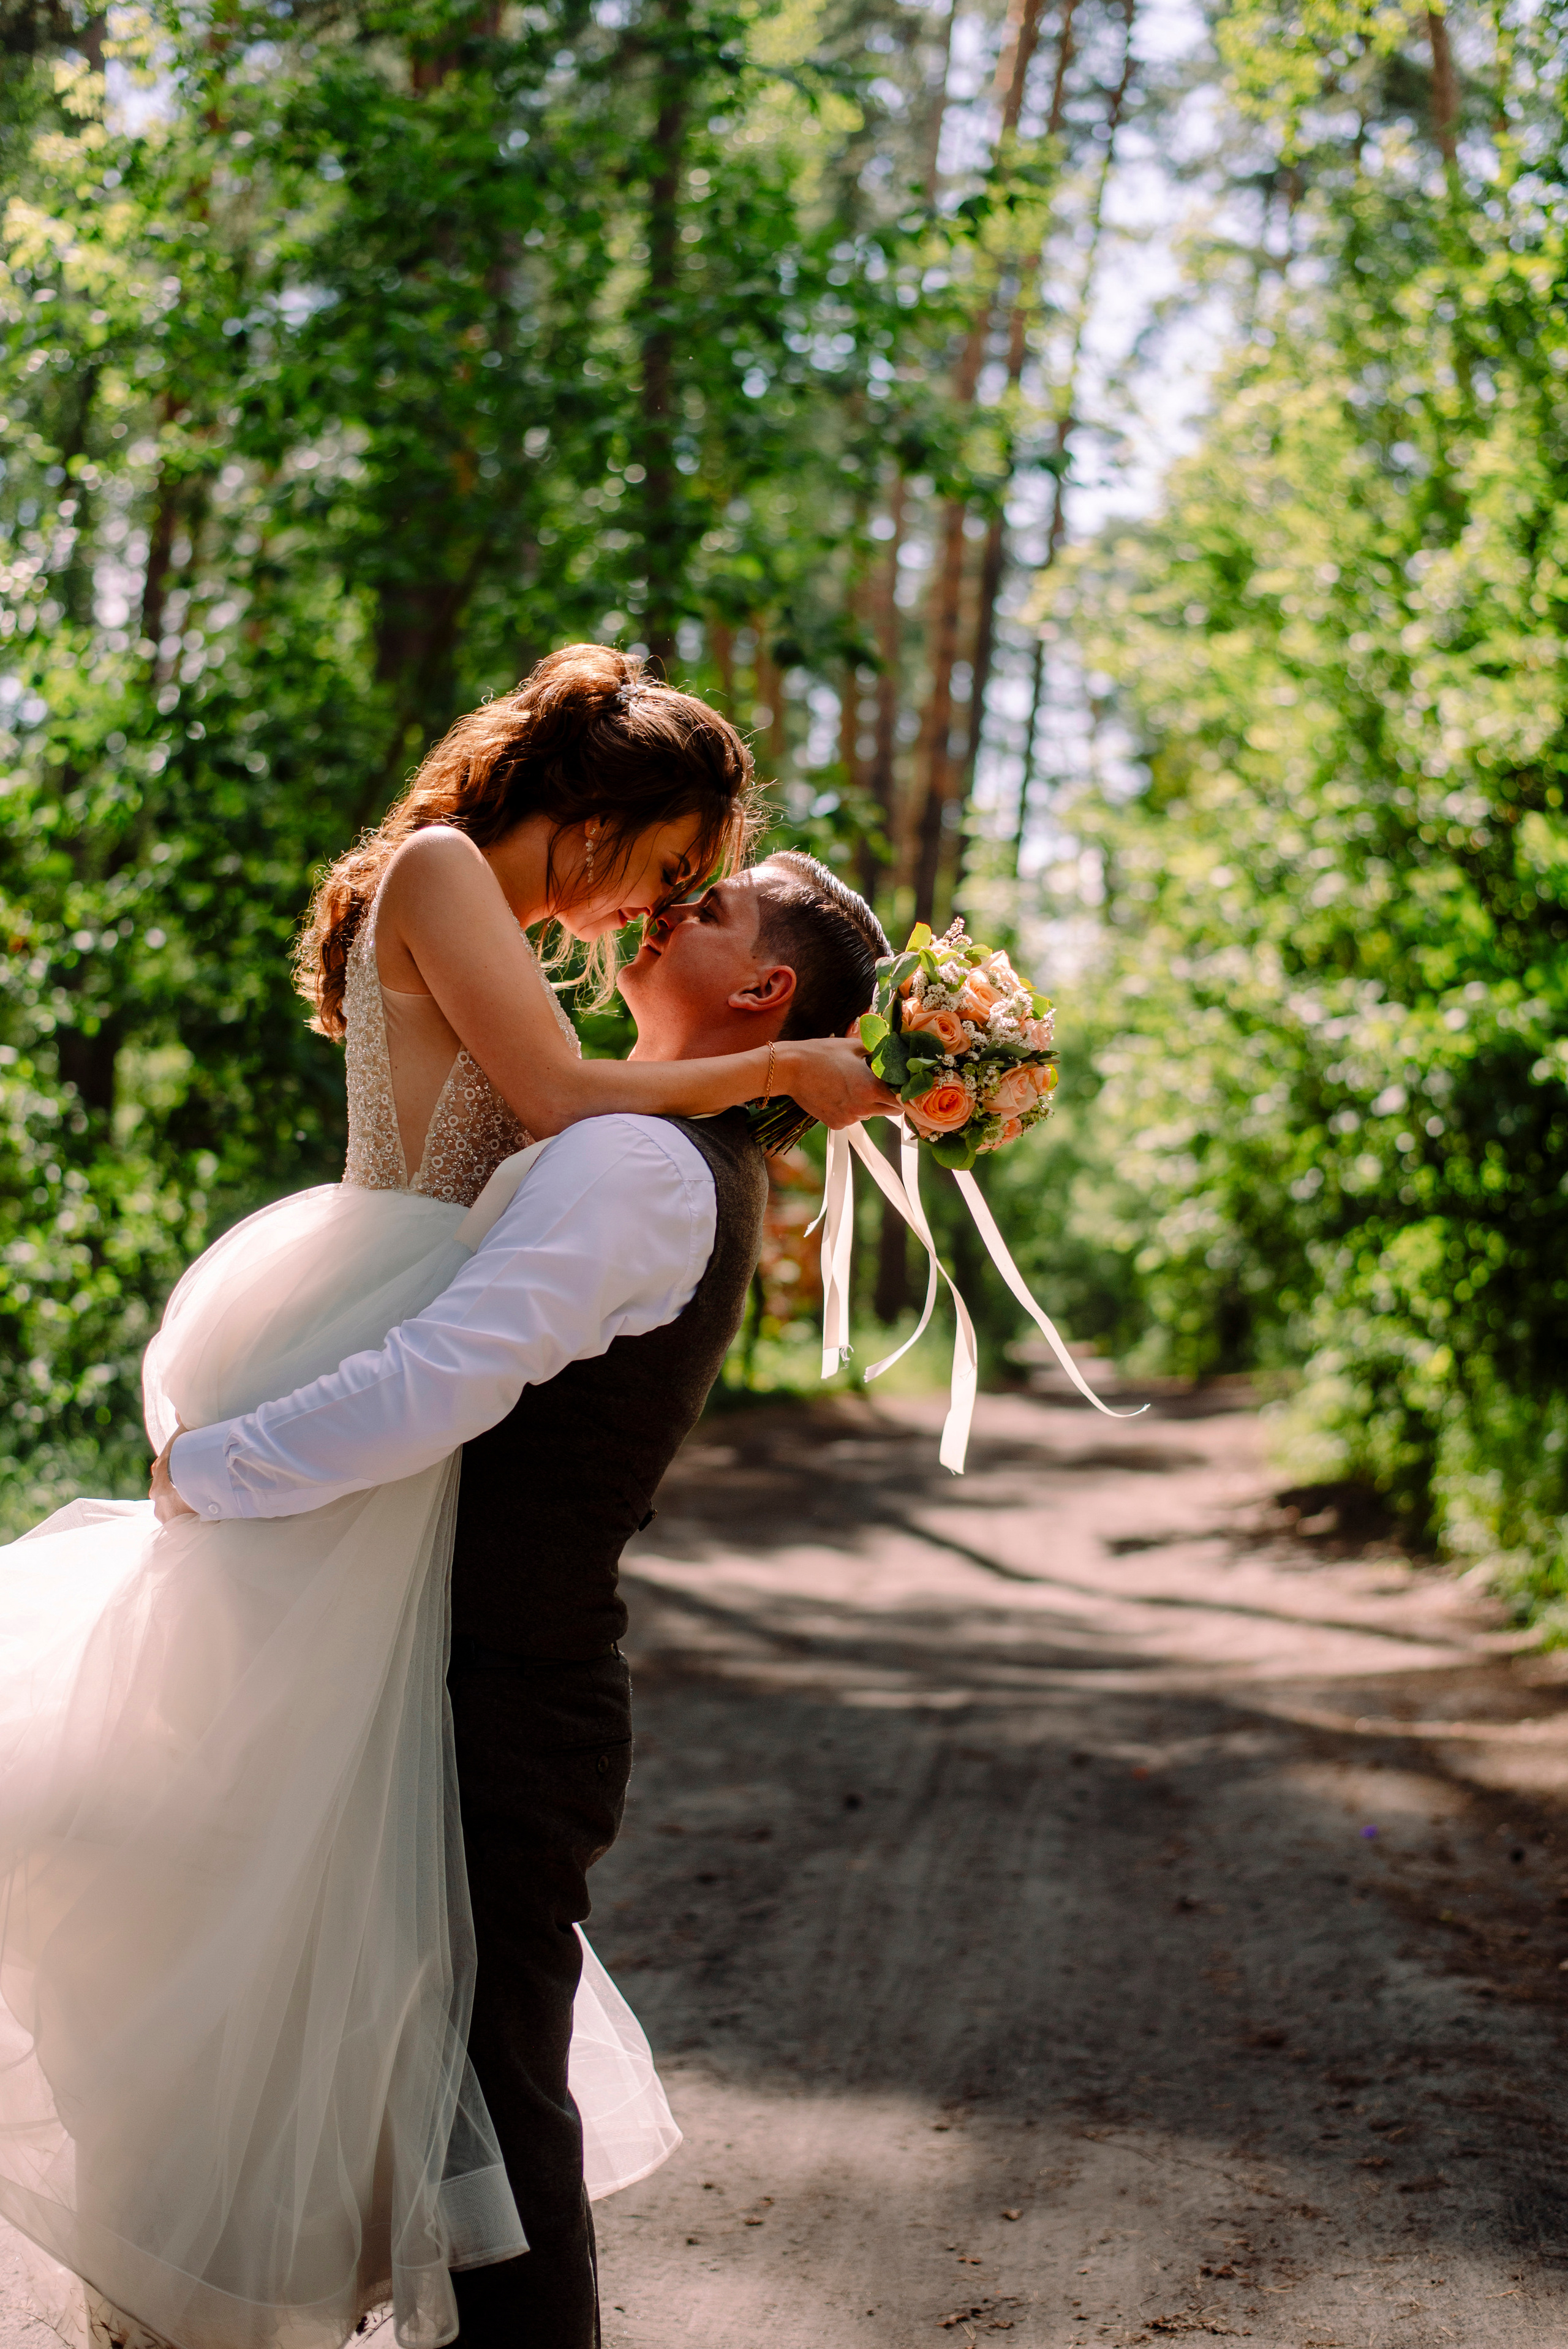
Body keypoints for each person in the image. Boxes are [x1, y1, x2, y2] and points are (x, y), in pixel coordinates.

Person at [0, 760, 887, 2349]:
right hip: (473, 1675)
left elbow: (445, 1373)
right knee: (442, 2103)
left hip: (503, 1696)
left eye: (723, 901)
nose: (679, 901)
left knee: (490, 2124)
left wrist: (213, 1468)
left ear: (759, 989)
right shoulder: (661, 1146)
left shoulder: (637, 1163)